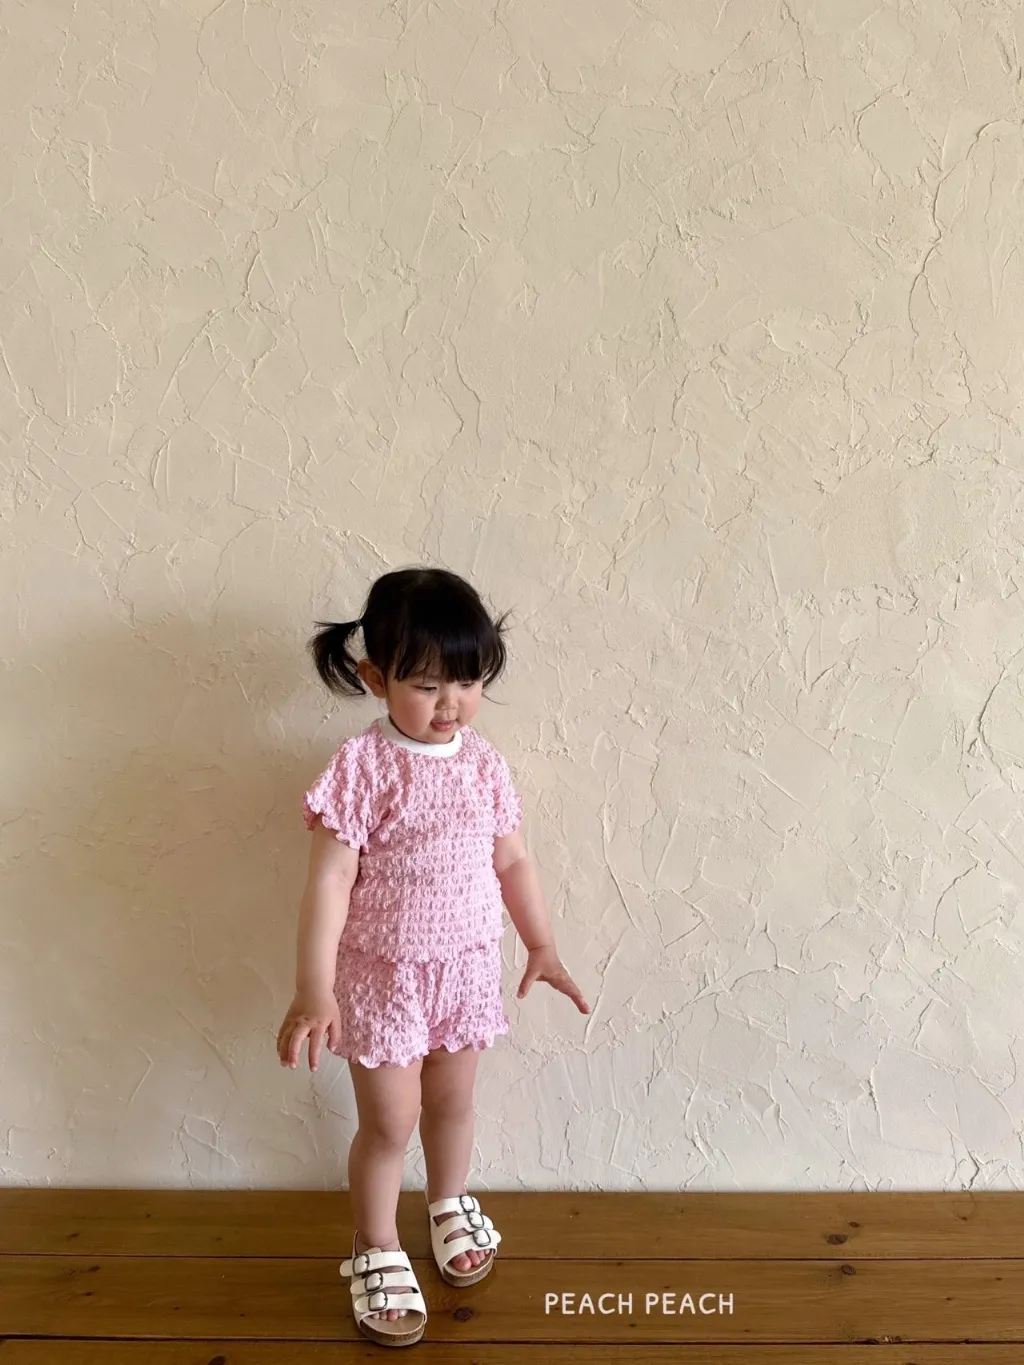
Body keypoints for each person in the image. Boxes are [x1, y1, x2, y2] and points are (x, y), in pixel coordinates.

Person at [276, 566, 590, 1348]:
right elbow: (329, 882)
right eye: (425, 685)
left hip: (465, 971)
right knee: (391, 1121)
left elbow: (512, 859)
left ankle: (447, 1199)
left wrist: (541, 942)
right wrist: (315, 988)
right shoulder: (362, 768)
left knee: (452, 1102)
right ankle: (375, 1239)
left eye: (468, 681)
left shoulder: (483, 763)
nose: (450, 702)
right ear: (374, 678)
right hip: (384, 978)